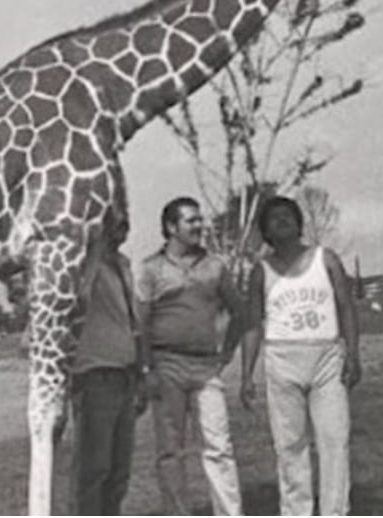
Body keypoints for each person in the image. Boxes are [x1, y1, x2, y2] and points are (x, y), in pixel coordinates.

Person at [240, 196, 360, 516]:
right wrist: (246, 375)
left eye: (287, 216)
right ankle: (297, 511)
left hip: (326, 356)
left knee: (334, 439)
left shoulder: (326, 259)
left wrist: (353, 354)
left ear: (298, 223)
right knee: (290, 445)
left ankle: (335, 510)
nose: (282, 221)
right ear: (265, 230)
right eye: (273, 218)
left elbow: (346, 307)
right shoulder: (260, 271)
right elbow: (252, 325)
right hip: (282, 359)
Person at [137, 196, 245, 515]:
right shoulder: (150, 269)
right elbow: (140, 324)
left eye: (200, 219)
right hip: (165, 364)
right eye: (191, 221)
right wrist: (146, 369)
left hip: (205, 368)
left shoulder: (215, 266)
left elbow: (240, 312)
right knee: (170, 450)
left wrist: (226, 354)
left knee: (219, 447)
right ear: (171, 227)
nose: (200, 225)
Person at [70, 214, 146, 515]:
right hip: (95, 375)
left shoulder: (124, 265)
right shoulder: (84, 263)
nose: (122, 226)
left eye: (125, 221)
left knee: (119, 471)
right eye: (113, 220)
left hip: (125, 374)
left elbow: (134, 321)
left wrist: (140, 373)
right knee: (93, 469)